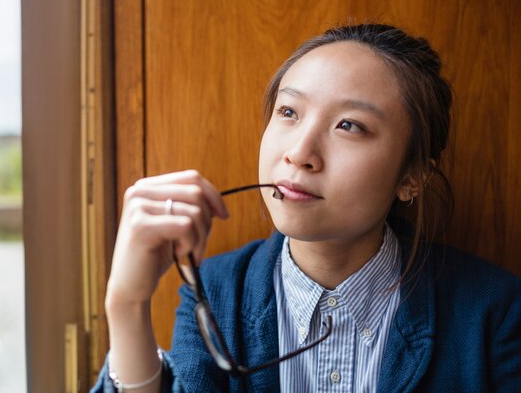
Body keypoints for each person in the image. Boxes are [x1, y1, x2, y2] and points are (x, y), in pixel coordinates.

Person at [91, 24, 521, 393]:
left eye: (348, 125)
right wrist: (127, 306)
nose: (299, 153)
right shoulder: (215, 292)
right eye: (289, 111)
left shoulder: (494, 310)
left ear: (412, 177)